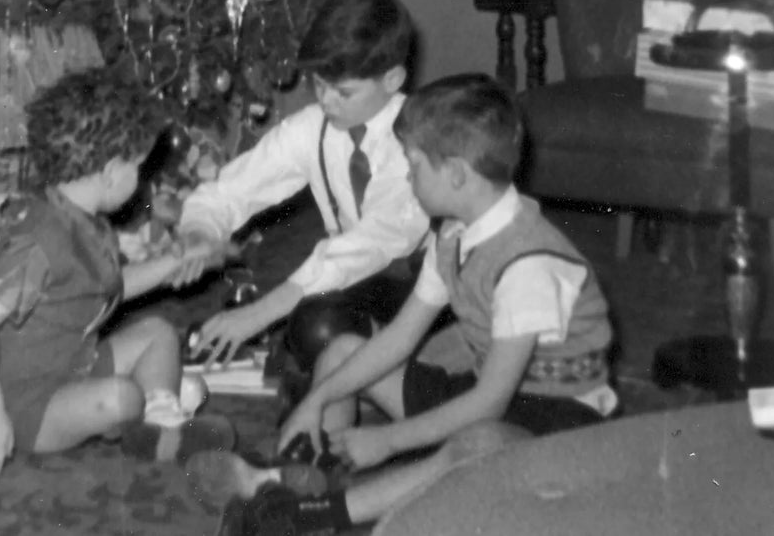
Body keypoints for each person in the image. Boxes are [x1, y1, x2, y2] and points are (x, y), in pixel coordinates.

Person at [187, 73, 617, 534]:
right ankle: (299, 477)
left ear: (455, 174)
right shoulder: (452, 232)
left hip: (561, 426)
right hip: (485, 393)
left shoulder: (527, 264)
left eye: (413, 165)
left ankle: (316, 517)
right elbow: (399, 336)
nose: (407, 176)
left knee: (478, 444)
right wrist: (319, 397)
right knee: (340, 355)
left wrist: (388, 441)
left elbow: (489, 403)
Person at [0, 66, 234, 486]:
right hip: (32, 406)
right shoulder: (39, 241)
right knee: (121, 398)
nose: (141, 181)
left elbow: (110, 288)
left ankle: (161, 417)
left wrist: (170, 264)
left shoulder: (85, 220)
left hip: (80, 363)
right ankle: (149, 407)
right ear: (110, 172)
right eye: (138, 169)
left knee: (160, 332)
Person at [170, 0, 430, 399]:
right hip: (352, 277)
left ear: (392, 80)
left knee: (316, 327)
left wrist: (262, 312)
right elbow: (232, 189)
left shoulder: (418, 140)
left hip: (422, 285)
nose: (326, 100)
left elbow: (374, 243)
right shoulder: (313, 128)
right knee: (305, 321)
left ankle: (394, 365)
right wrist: (202, 231)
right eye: (318, 85)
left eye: (343, 92)